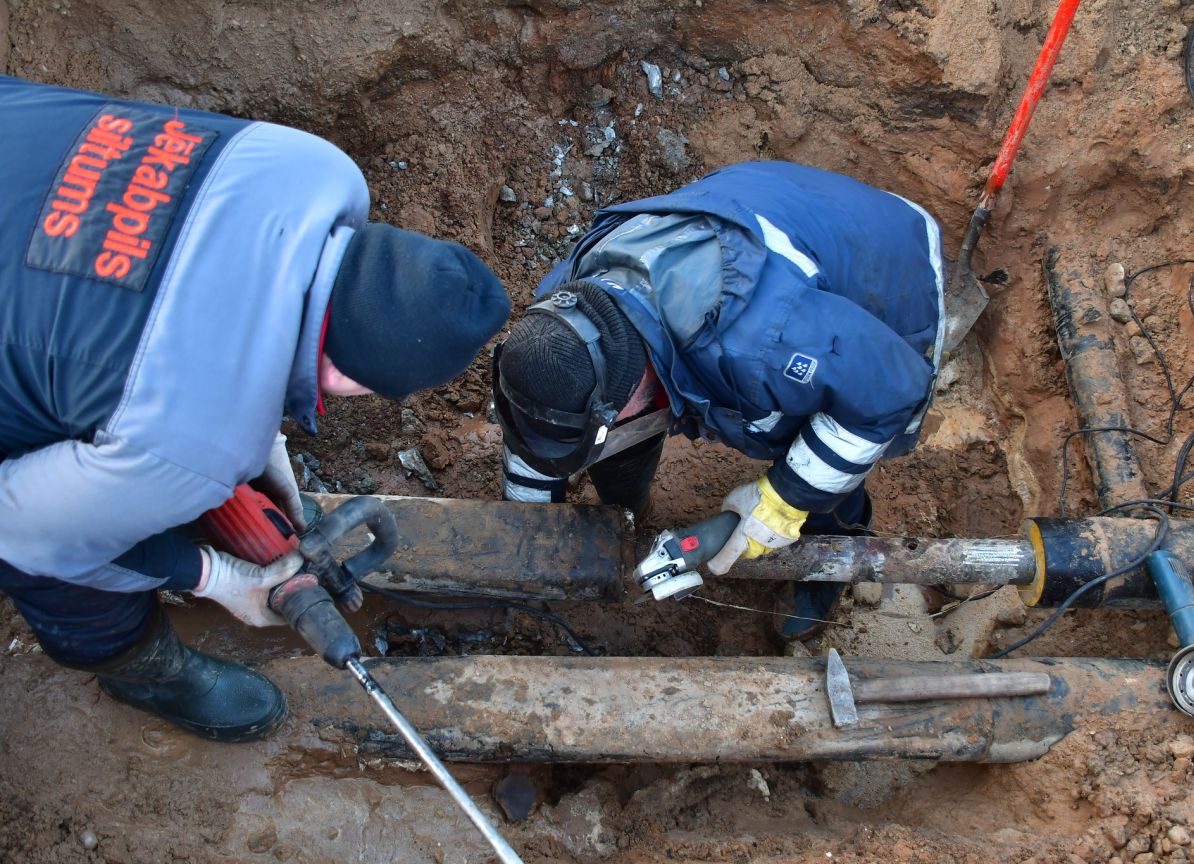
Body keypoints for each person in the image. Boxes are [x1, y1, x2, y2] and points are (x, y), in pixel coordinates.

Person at [0, 76, 510, 742]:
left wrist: (246, 444)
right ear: (354, 377)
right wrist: (216, 579)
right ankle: (141, 670)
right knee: (64, 563)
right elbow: (19, 528)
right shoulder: (192, 437)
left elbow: (221, 290)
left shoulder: (313, 167)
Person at [492, 161, 945, 641]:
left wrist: (783, 501)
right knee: (617, 429)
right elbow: (541, 427)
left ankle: (825, 554)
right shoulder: (563, 318)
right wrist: (532, 532)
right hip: (762, 212)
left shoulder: (766, 347)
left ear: (635, 393)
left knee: (801, 434)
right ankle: (624, 507)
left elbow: (886, 393)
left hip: (883, 260)